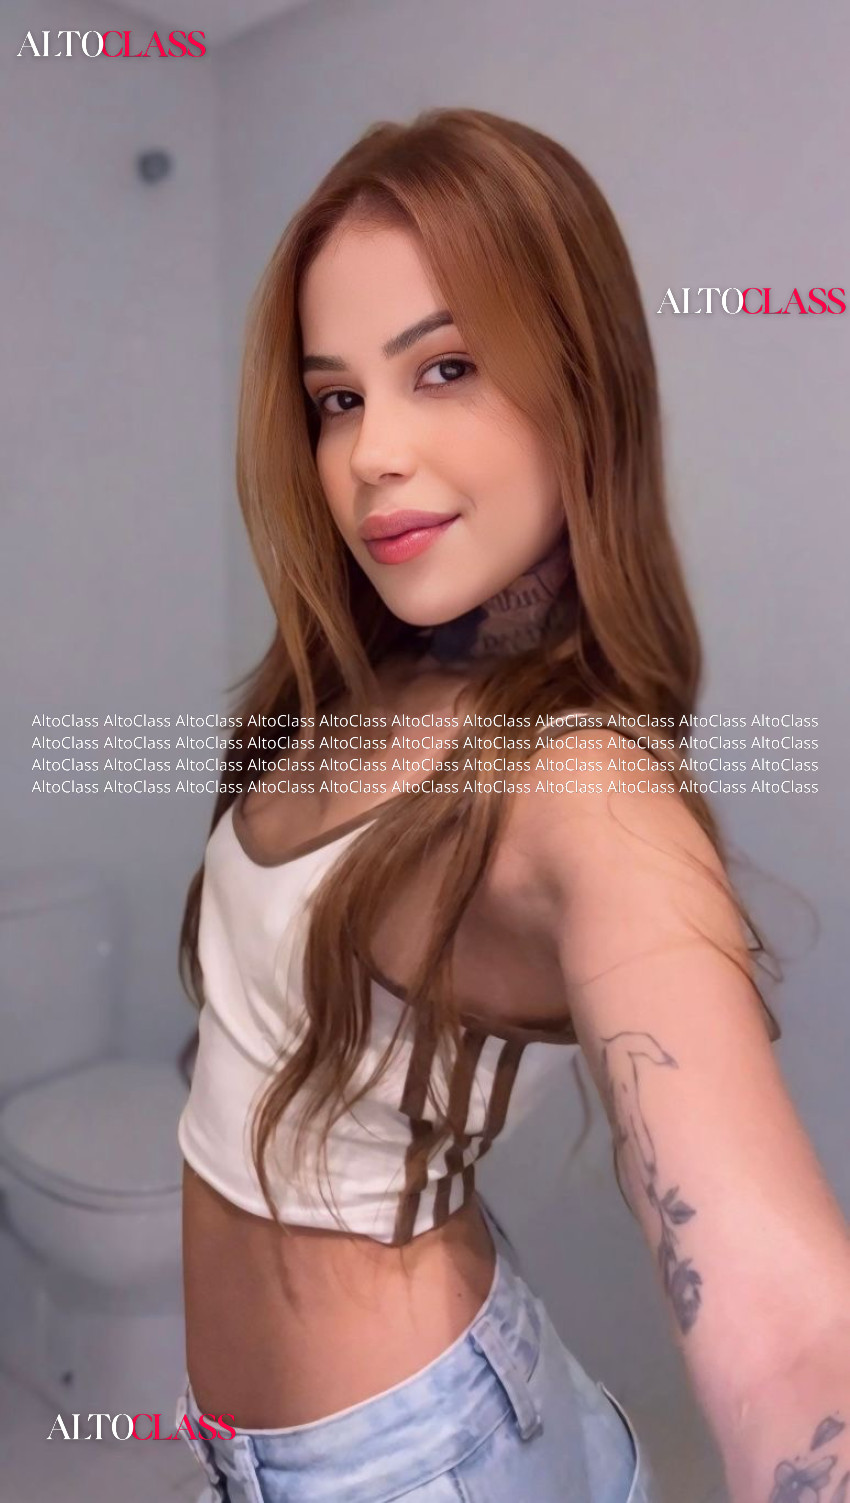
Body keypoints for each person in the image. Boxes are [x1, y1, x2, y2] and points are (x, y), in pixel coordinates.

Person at [173, 108, 850, 1502]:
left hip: (415, 1466)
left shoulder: (584, 788)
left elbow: (789, 1333)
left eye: (446, 368)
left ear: (580, 384)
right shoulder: (369, 675)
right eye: (338, 398)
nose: (371, 453)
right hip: (292, 1438)